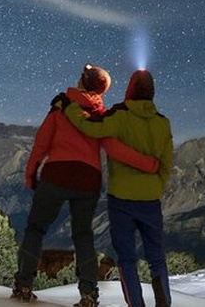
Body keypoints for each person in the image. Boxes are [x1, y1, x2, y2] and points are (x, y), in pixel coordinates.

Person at [12, 65, 160, 307]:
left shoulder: (61, 106)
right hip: (88, 181)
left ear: (82, 82)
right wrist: (147, 163)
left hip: (56, 175)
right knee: (83, 236)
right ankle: (88, 294)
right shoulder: (102, 115)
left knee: (35, 229)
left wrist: (31, 172)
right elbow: (115, 148)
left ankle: (24, 285)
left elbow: (41, 142)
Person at [63, 69, 174, 307]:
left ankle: (136, 304)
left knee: (127, 259)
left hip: (121, 200)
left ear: (129, 91)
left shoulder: (119, 116)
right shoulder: (163, 123)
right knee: (157, 258)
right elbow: (166, 164)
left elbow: (89, 128)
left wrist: (70, 107)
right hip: (151, 200)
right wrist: (156, 188)